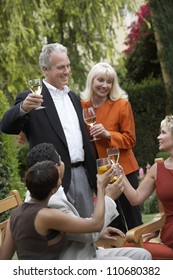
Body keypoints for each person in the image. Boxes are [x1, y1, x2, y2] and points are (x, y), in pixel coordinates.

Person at [0, 43, 97, 218]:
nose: (66, 71)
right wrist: (22, 108)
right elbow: (6, 126)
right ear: (45, 69)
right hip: (51, 180)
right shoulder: (31, 98)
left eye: (68, 65)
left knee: (88, 232)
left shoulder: (73, 97)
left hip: (82, 175)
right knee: (57, 239)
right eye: (61, 67)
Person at [24, 142, 151, 260]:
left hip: (87, 249)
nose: (64, 163)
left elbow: (74, 227)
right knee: (130, 264)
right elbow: (90, 233)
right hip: (77, 259)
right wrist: (109, 197)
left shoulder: (47, 192)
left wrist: (100, 233)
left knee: (143, 255)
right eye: (61, 160)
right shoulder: (49, 201)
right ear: (55, 168)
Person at [0, 159, 114, 260]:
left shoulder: (15, 215)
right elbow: (96, 225)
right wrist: (101, 187)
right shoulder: (47, 215)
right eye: (59, 177)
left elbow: (4, 259)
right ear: (53, 189)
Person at [81, 62, 142, 232]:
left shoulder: (121, 104)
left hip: (123, 169)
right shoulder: (82, 105)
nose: (105, 85)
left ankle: (142, 253)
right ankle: (119, 255)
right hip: (99, 171)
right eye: (100, 80)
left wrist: (108, 134)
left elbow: (130, 140)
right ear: (92, 80)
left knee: (133, 216)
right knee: (111, 219)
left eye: (109, 82)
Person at [122, 115, 173, 249]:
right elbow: (136, 198)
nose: (158, 137)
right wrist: (120, 175)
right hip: (170, 233)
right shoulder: (157, 169)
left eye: (163, 132)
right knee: (127, 247)